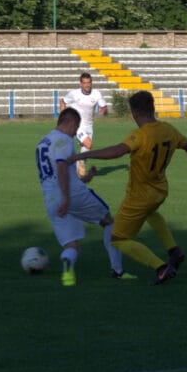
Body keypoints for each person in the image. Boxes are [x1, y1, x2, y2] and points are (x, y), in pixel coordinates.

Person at [66, 91, 187, 285]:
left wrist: (82, 155)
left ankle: (161, 267)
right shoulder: (168, 129)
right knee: (150, 213)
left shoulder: (140, 135)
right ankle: (174, 251)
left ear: (134, 112)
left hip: (139, 197)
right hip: (160, 190)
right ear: (153, 108)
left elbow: (118, 151)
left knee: (117, 239)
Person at [36, 107, 136, 286]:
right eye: (76, 127)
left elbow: (57, 173)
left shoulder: (42, 143)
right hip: (70, 195)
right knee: (109, 222)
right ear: (71, 122)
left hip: (50, 199)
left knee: (72, 245)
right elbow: (61, 168)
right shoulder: (64, 139)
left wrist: (86, 178)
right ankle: (118, 271)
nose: (76, 133)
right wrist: (67, 198)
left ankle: (68, 262)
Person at [60, 72, 107, 178]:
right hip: (76, 124)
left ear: (91, 83)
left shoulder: (96, 94)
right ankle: (79, 161)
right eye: (84, 83)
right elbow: (63, 102)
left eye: (88, 82)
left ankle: (79, 163)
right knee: (88, 144)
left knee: (87, 148)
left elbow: (103, 107)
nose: (87, 85)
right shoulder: (74, 94)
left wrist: (103, 110)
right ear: (80, 83)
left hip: (88, 125)